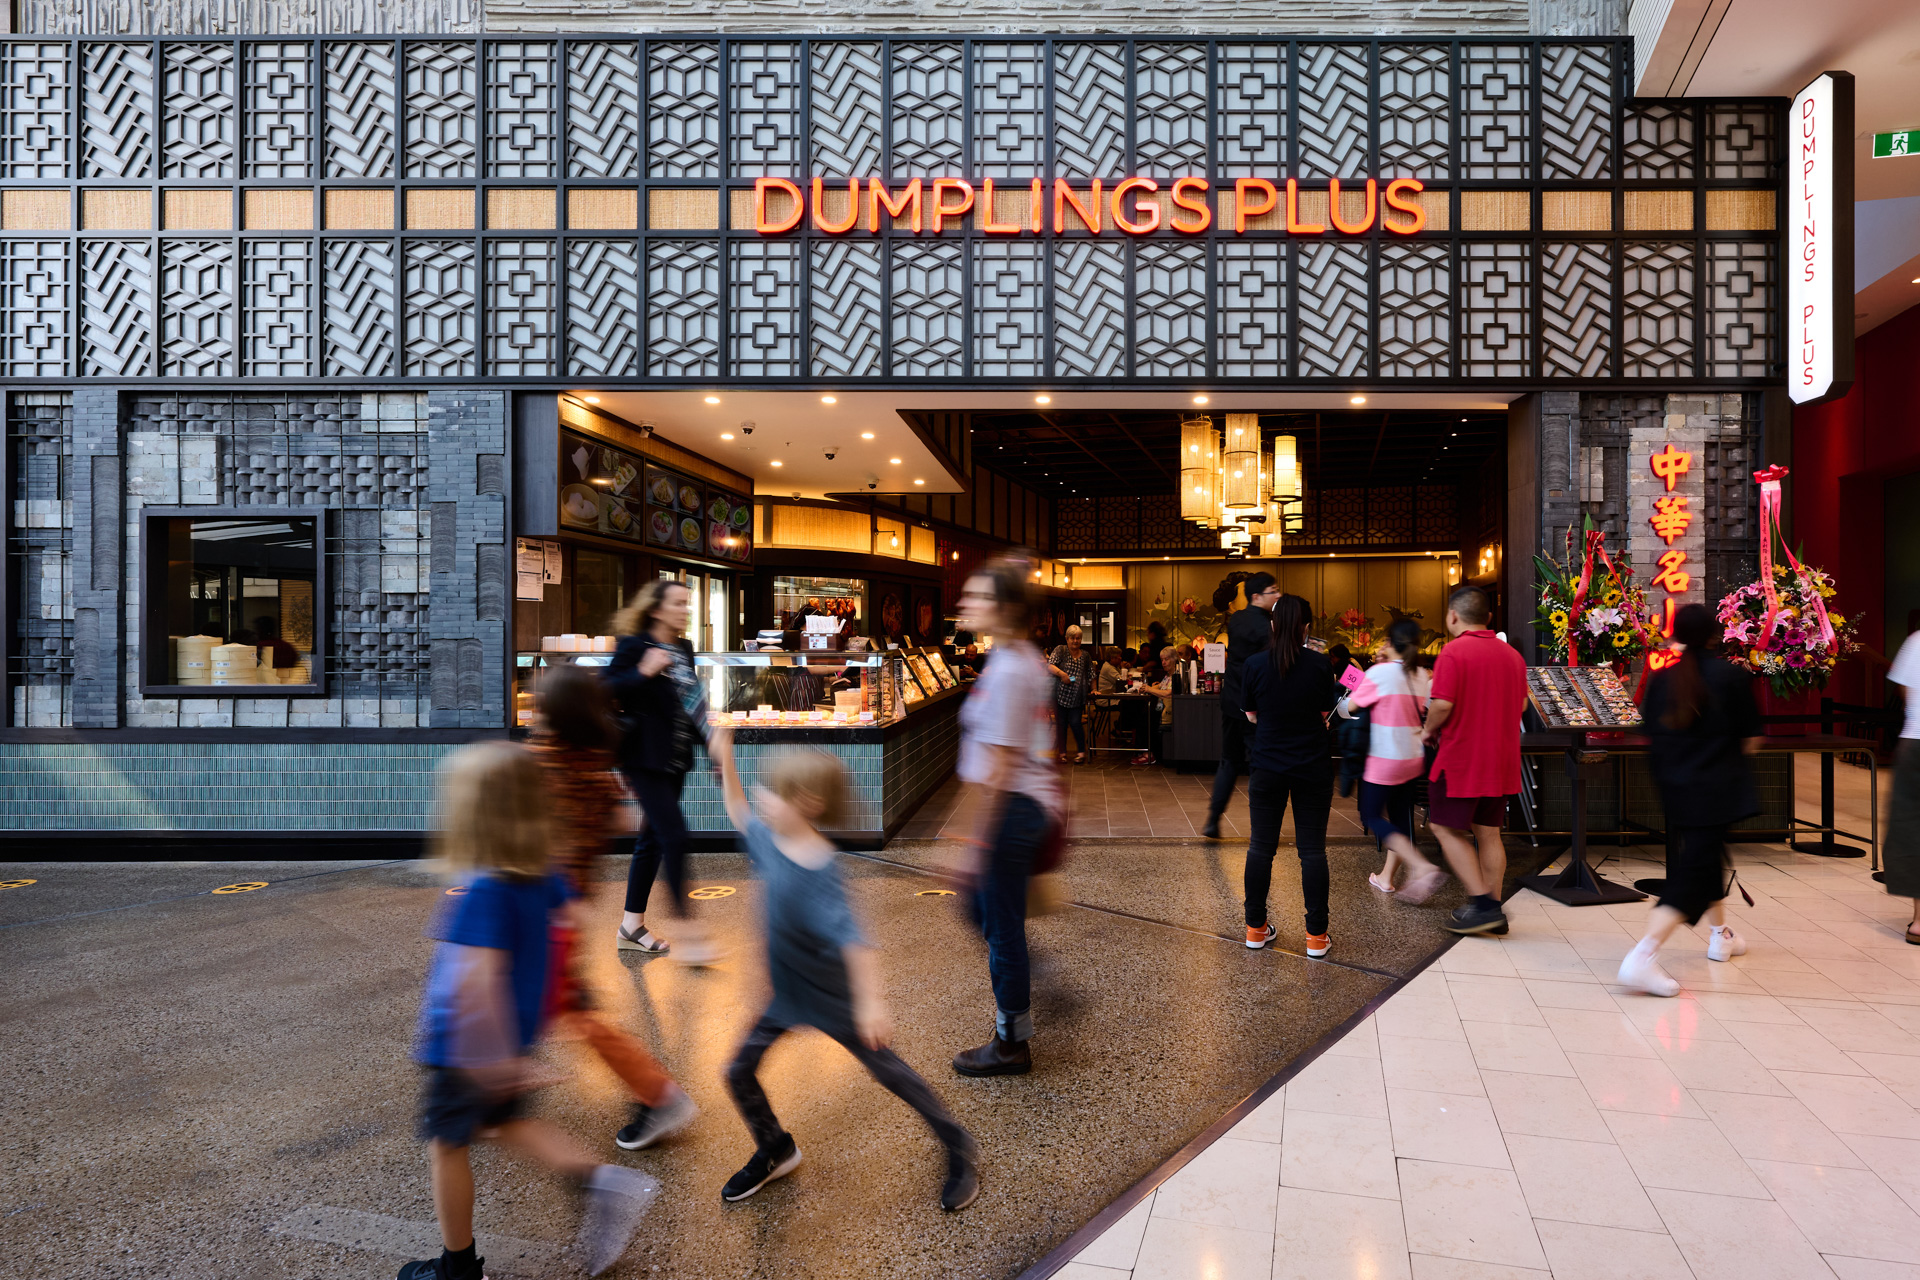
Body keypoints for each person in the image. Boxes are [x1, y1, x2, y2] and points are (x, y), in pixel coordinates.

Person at [400, 742, 657, 1280]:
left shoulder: (484, 890)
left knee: (447, 1145)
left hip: (465, 1050)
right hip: (510, 1039)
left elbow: (472, 982)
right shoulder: (549, 874)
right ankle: (598, 1182)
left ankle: (457, 1267)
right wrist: (527, 1035)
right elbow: (564, 937)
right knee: (507, 1124)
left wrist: (491, 1060)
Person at [707, 727, 980, 1210]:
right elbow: (737, 808)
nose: (762, 798)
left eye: (774, 792)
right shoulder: (769, 839)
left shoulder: (821, 869)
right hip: (785, 992)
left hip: (833, 996)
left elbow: (856, 942)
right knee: (737, 1069)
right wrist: (724, 760)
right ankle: (775, 1147)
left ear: (808, 802)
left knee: (889, 1072)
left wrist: (872, 1005)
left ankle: (957, 1141)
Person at [527, 665, 699, 1152]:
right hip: (568, 905)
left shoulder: (542, 762)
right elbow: (620, 817)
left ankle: (659, 1094)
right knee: (564, 1001)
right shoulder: (593, 764)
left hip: (539, 908)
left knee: (573, 1008)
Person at [950, 555, 1060, 1076]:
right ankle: (1037, 982)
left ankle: (1011, 1042)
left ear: (1008, 607)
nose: (966, 603)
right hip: (1019, 806)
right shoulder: (1013, 658)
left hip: (1011, 810)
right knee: (987, 915)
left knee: (1000, 927)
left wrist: (974, 843)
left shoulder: (1014, 667)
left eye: (979, 595)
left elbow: (997, 768)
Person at [1617, 604, 1762, 994]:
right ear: (1715, 635)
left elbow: (1650, 734)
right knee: (1692, 877)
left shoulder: (1664, 678)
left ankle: (1721, 935)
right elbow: (1751, 739)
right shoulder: (1732, 676)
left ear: (1675, 633)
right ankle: (1641, 958)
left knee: (1706, 860)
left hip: (1674, 790)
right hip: (1716, 791)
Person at [605, 579, 716, 963]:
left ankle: (630, 927)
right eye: (678, 603)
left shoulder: (683, 648)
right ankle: (690, 931)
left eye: (688, 603)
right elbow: (606, 688)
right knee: (674, 835)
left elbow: (691, 702)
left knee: (652, 839)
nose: (685, 610)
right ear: (655, 608)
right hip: (643, 758)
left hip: (675, 757)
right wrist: (644, 672)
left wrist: (712, 746)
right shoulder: (634, 645)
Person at [1418, 586, 1527, 935]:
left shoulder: (1453, 652)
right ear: (1489, 619)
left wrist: (1427, 730)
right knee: (1489, 832)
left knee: (1443, 827)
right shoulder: (1512, 656)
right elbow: (1523, 704)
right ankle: (1493, 909)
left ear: (1452, 616)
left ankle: (1481, 905)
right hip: (1502, 759)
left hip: (1463, 758)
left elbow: (1443, 704)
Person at [1240, 594, 1341, 958]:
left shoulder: (1254, 664)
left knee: (1260, 848)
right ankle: (1316, 936)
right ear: (1306, 627)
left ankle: (1255, 928)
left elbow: (1250, 715)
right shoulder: (1319, 665)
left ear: (1273, 625)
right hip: (1312, 766)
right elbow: (1325, 713)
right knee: (1312, 851)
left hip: (1267, 766)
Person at [1338, 619, 1446, 902]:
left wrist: (1350, 694)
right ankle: (1386, 878)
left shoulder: (1379, 672)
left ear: (1390, 642)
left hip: (1384, 758)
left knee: (1371, 815)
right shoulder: (1422, 674)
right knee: (1400, 819)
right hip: (1412, 757)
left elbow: (1349, 707)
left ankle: (1420, 865)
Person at [1205, 571, 1279, 839]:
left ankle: (1213, 819)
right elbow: (1270, 666)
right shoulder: (1267, 627)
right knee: (1259, 763)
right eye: (1274, 591)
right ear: (1257, 596)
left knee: (1229, 762)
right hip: (1255, 707)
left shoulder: (1236, 620)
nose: (1278, 595)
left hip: (1231, 700)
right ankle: (1262, 826)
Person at [1888, 621, 1920, 944]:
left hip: (1915, 743)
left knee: (1912, 828)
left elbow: (1903, 689)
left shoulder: (1916, 641)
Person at [1048, 625, 1095, 764]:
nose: (1076, 640)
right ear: (1067, 639)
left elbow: (1091, 674)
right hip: (1059, 694)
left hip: (1078, 696)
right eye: (1073, 638)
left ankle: (1081, 753)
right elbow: (1049, 665)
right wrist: (1062, 674)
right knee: (1061, 724)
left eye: (1078, 638)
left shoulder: (1085, 655)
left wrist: (1094, 689)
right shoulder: (1060, 650)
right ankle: (1062, 753)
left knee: (1075, 723)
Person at [1135, 660, 1175, 767]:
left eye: (1166, 659)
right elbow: (1162, 686)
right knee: (1142, 714)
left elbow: (1167, 693)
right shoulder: (1168, 676)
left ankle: (1148, 754)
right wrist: (1150, 688)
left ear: (1174, 659)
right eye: (1162, 660)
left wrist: (1149, 689)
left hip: (1168, 711)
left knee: (1145, 717)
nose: (1163, 662)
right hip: (1161, 708)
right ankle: (1145, 751)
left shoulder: (1175, 676)